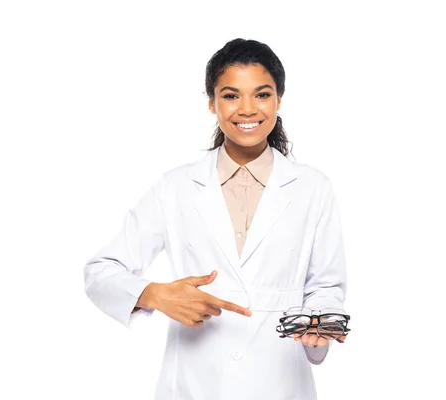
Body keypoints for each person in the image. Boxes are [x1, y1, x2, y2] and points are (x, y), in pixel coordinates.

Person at [83, 38, 348, 400]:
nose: (247, 109)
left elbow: (326, 285)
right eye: (231, 95)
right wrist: (154, 294)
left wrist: (319, 326)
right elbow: (100, 271)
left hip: (281, 382)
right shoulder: (175, 187)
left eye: (262, 94)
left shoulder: (312, 187)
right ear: (212, 103)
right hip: (194, 383)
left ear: (279, 101)